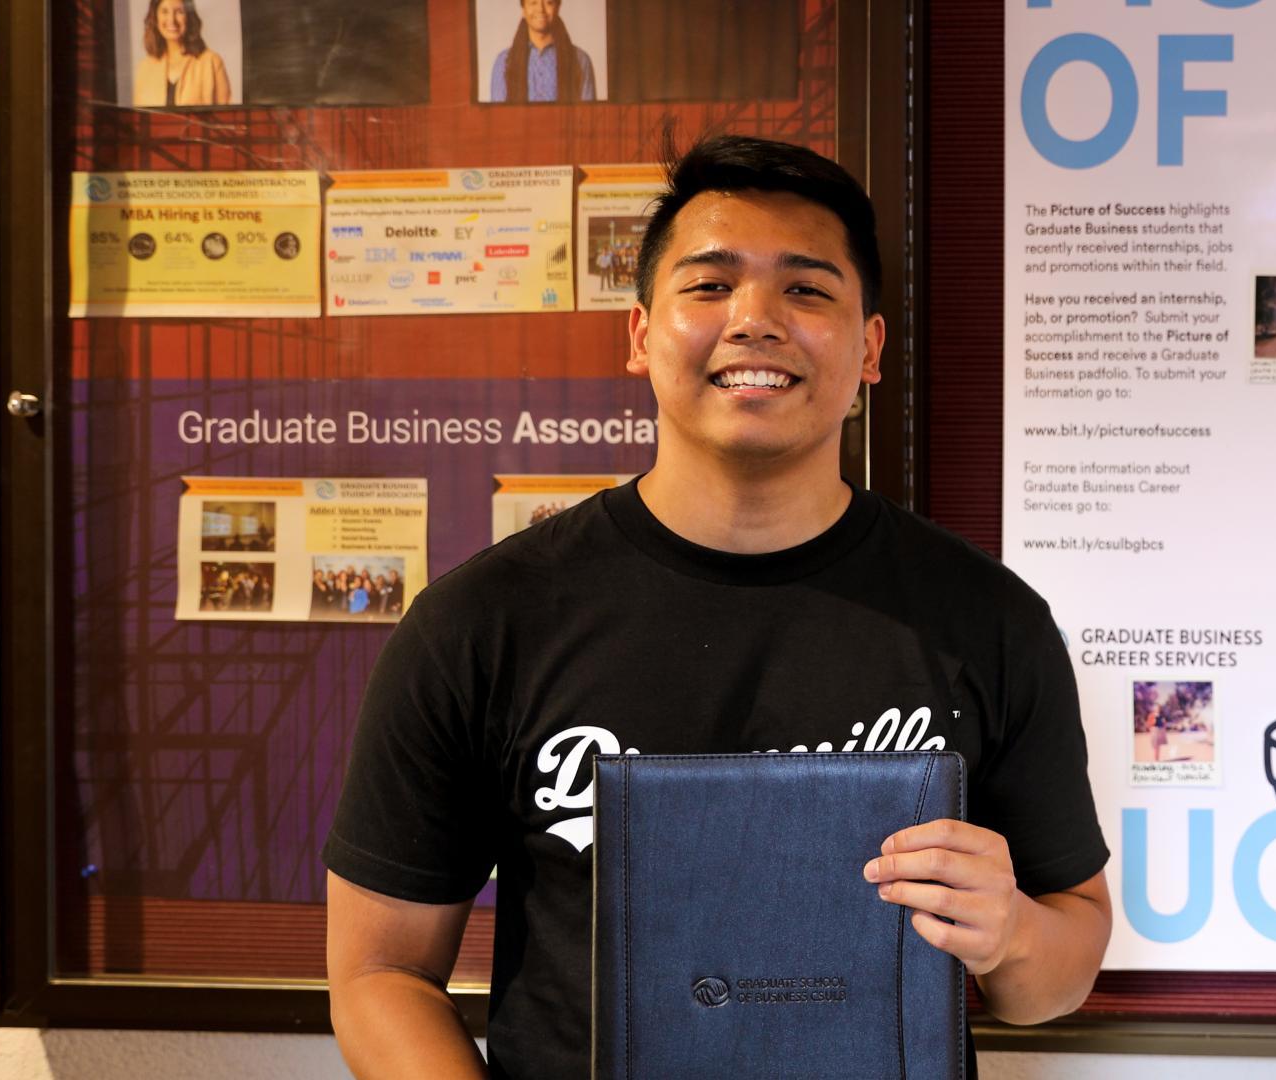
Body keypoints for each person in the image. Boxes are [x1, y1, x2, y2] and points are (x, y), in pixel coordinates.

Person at [323, 135, 1112, 1079]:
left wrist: (1011, 932)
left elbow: (1053, 979)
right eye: (709, 286)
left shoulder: (990, 621)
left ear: (868, 349)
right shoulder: (481, 624)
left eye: (807, 289)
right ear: (641, 332)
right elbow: (379, 974)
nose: (755, 320)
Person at [488, 0, 597, 104]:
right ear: (523, 9)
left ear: (558, 7)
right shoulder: (504, 62)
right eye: (533, 2)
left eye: (548, 2)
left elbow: (587, 118)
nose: (540, 9)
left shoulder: (580, 60)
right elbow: (499, 119)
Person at [131, 0, 232, 107]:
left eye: (179, 11)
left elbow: (226, 119)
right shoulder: (145, 68)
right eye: (164, 11)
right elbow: (139, 120)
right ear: (155, 18)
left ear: (189, 17)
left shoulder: (212, 62)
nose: (172, 20)